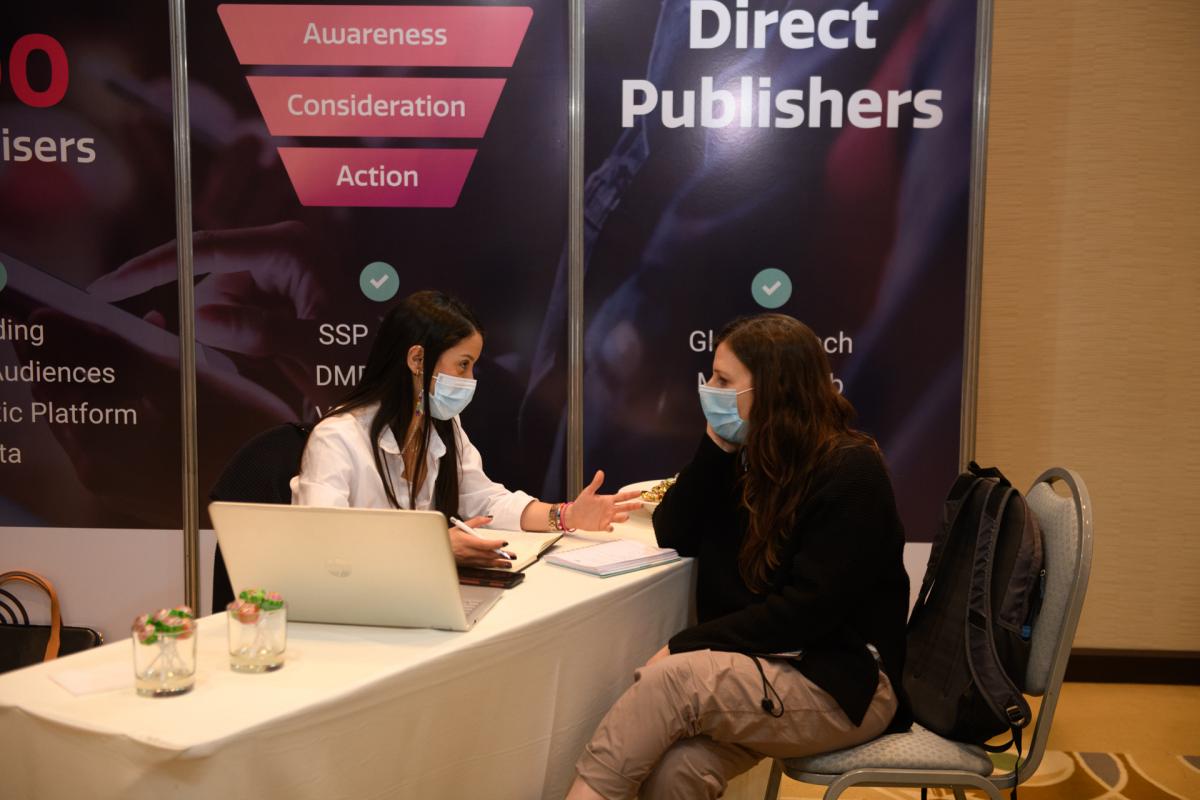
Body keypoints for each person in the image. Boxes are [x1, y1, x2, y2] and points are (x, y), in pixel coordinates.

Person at [566, 314, 912, 799]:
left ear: (772, 391)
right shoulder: (752, 456)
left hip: (845, 681)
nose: (709, 390)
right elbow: (674, 531)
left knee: (672, 681)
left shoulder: (851, 471)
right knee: (677, 772)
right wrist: (716, 444)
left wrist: (688, 644)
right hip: (773, 668)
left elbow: (805, 614)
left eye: (723, 381)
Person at [290, 290, 642, 569]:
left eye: (472, 366)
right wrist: (434, 548)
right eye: (462, 365)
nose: (470, 379)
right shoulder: (337, 438)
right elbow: (323, 544)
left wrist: (565, 515)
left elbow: (486, 500)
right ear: (416, 360)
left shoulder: (442, 425)